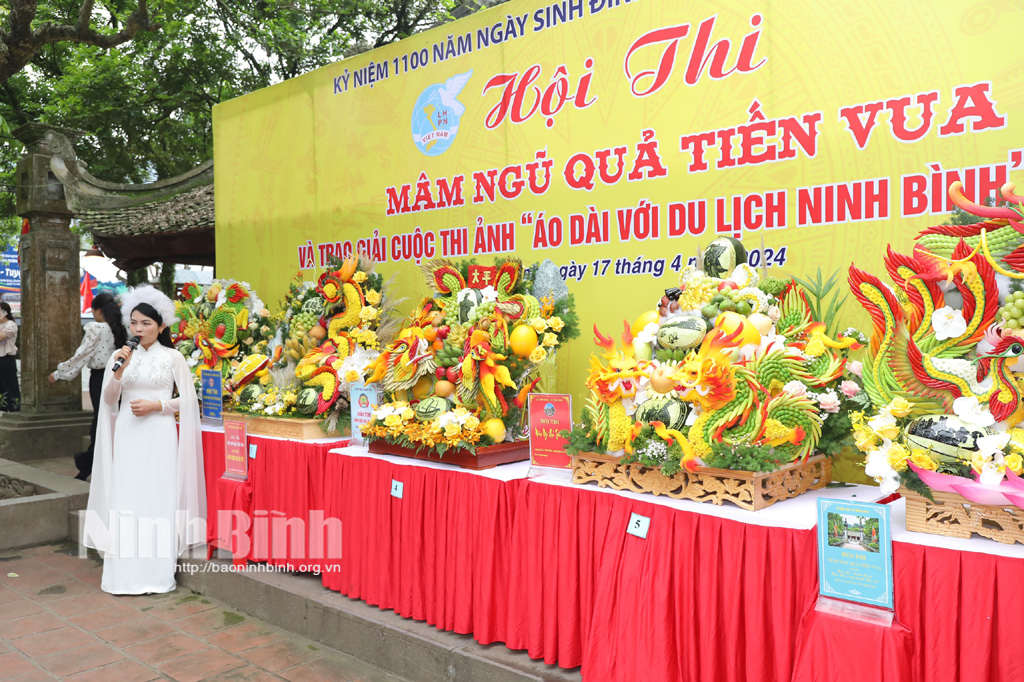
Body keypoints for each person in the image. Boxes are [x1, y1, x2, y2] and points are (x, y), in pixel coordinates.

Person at [82, 286, 206, 595]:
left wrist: (158, 406)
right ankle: (123, 574)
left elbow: (191, 402)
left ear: (162, 326)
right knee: (127, 495)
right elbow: (109, 398)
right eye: (135, 322)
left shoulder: (173, 357)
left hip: (160, 433)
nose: (139, 329)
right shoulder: (120, 355)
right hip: (128, 432)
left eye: (146, 323)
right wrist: (120, 370)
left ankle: (156, 574)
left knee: (157, 495)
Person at [48, 293, 126, 480]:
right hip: (119, 377)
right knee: (112, 420)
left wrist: (59, 373)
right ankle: (96, 465)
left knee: (101, 422)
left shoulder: (96, 328)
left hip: (100, 379)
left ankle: (87, 465)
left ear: (98, 310)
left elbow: (82, 355)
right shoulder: (120, 328)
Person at [0, 302, 20, 412]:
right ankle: (2, 407)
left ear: (4, 312)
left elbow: (2, 337)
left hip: (6, 359)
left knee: (9, 384)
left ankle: (13, 408)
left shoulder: (11, 325)